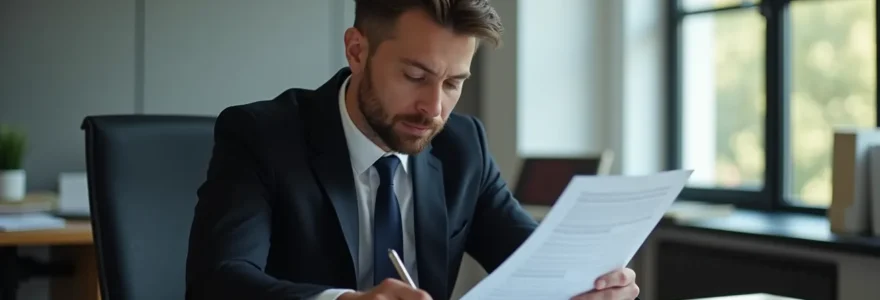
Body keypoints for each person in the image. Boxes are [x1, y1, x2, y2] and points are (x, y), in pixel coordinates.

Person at [184, 0, 641, 299]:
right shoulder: (262, 135)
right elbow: (217, 281)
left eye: (454, 83)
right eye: (416, 76)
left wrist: (590, 283)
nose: (434, 107)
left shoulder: (465, 147)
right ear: (357, 51)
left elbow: (532, 258)